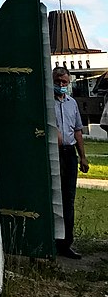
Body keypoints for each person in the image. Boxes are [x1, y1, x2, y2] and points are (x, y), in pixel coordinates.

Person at [53, 67, 89, 259]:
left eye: (64, 82)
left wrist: (82, 156)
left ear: (69, 82)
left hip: (69, 153)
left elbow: (77, 130)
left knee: (68, 198)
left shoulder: (71, 103)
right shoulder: (47, 103)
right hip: (54, 152)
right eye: (58, 82)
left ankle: (66, 243)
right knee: (54, 196)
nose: (61, 85)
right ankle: (52, 240)